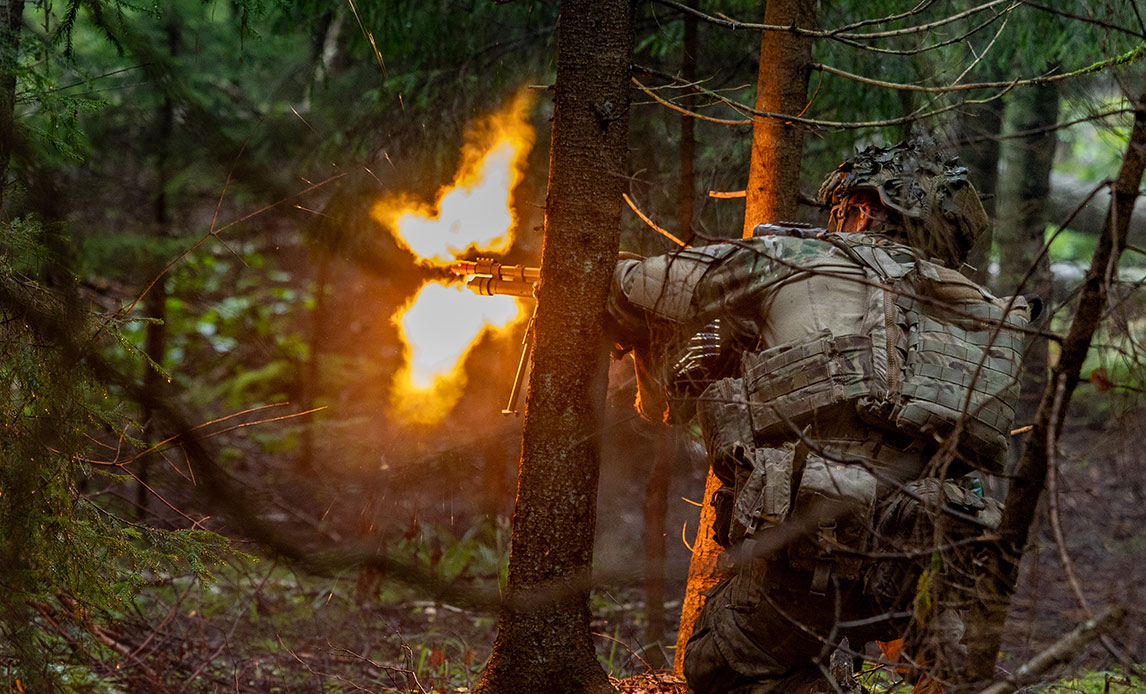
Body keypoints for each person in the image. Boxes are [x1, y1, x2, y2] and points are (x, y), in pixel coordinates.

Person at [606, 139, 1033, 693]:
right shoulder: (983, 306)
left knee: (725, 668)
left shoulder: (789, 259)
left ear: (860, 208)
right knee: (956, 676)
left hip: (817, 526)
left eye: (843, 209)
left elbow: (637, 286)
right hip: (944, 530)